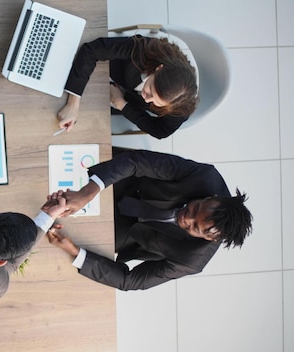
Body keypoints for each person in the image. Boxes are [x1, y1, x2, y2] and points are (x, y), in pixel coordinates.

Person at [44, 149, 253, 290]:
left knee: (56, 236)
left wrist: (74, 251)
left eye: (195, 227)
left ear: (209, 239)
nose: (186, 218)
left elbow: (130, 281)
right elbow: (136, 162)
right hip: (128, 183)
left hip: (130, 234)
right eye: (195, 207)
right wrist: (88, 192)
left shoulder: (192, 260)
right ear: (212, 197)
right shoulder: (205, 176)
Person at [58, 36, 198, 139]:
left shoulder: (179, 105)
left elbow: (160, 131)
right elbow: (91, 50)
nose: (146, 98)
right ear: (159, 68)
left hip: (121, 101)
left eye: (155, 102)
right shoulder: (145, 49)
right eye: (150, 90)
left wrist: (122, 105)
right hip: (107, 69)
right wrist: (73, 103)